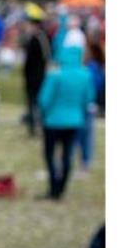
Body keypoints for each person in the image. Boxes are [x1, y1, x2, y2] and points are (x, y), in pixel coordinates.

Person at [38, 44, 95, 200]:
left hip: (52, 121)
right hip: (74, 120)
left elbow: (44, 99)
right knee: (67, 155)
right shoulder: (85, 75)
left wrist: (44, 113)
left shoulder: (55, 74)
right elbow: (88, 98)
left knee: (50, 154)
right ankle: (62, 188)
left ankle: (53, 187)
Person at [77, 41, 106, 173]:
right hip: (89, 104)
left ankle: (85, 163)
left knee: (85, 136)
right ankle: (84, 162)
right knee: (85, 136)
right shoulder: (92, 67)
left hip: (87, 105)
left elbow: (93, 87)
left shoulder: (91, 68)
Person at [21, 9, 50, 137]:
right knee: (32, 102)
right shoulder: (33, 38)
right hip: (31, 76)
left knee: (37, 103)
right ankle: (32, 127)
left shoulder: (40, 38)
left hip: (38, 76)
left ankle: (38, 126)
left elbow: (45, 58)